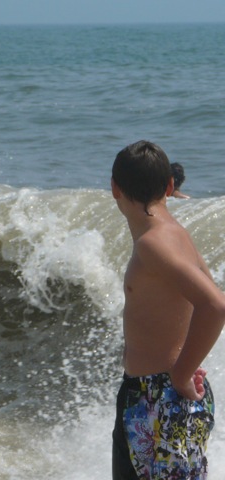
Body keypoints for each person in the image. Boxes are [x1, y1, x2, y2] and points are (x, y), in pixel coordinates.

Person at [110, 140, 225, 479]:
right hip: (153, 397)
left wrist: (182, 373)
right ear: (170, 186)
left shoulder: (153, 244)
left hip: (159, 400)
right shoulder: (174, 235)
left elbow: (215, 305)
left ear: (115, 188)